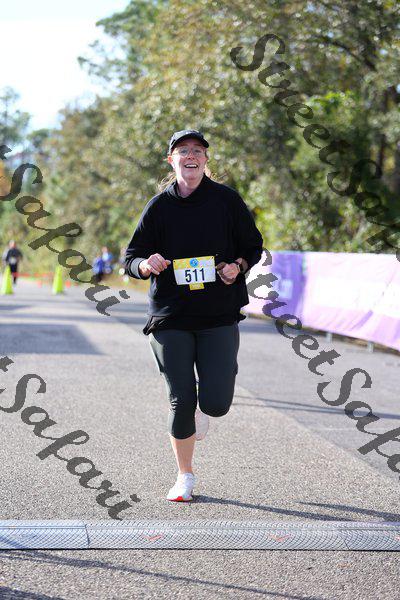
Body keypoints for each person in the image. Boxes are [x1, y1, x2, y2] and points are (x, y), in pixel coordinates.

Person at [125, 129, 263, 502]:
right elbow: (131, 258)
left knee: (215, 403)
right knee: (181, 399)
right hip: (171, 316)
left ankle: (208, 395)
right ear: (171, 160)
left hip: (218, 314)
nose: (191, 156)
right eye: (183, 150)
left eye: (197, 151)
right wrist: (145, 265)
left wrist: (238, 265)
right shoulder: (159, 207)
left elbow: (253, 245)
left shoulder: (226, 201)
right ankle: (184, 476)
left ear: (205, 160)